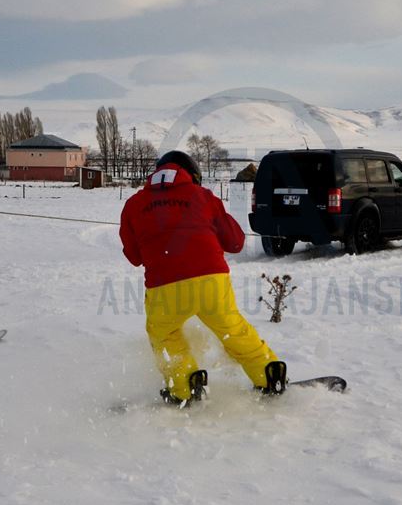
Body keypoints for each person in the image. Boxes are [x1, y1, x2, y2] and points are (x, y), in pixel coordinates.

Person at [119, 150, 286, 405]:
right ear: (192, 176)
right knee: (233, 330)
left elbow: (133, 256)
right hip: (212, 279)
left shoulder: (133, 204)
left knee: (164, 334)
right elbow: (235, 242)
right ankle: (269, 375)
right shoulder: (202, 196)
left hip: (165, 286)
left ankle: (185, 386)